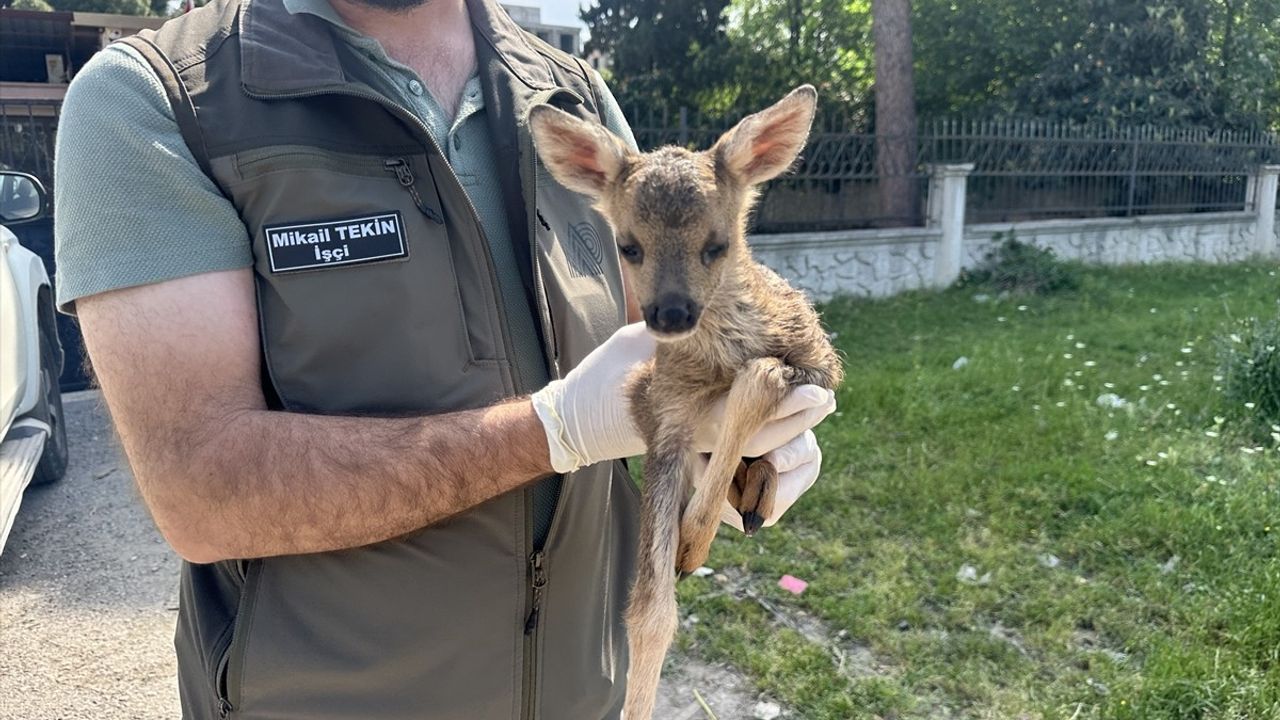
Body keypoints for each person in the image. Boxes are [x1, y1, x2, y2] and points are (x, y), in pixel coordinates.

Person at [52, 0, 835, 717]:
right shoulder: (161, 103)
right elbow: (200, 489)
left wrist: (728, 441)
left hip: (583, 692)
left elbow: (654, 341)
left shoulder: (572, 98)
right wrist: (550, 432)